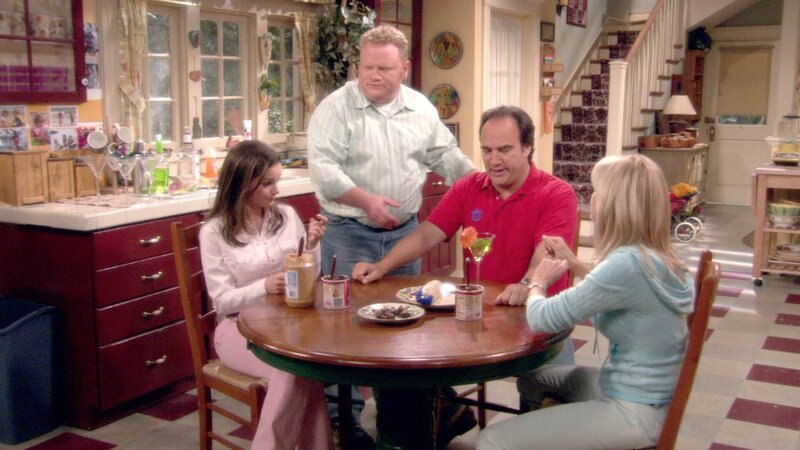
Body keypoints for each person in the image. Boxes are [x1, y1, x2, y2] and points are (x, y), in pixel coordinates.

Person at [352, 105, 579, 449]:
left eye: (504, 150)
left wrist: (527, 284)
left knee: (551, 417)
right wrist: (382, 265)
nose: (493, 160)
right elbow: (428, 233)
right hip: (482, 317)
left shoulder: (556, 193)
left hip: (540, 318)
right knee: (407, 358)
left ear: (527, 147)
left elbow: (547, 252)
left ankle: (457, 414)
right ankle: (444, 413)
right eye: (487, 150)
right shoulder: (469, 186)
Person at [307, 24, 474, 442]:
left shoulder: (420, 108)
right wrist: (366, 201)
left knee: (405, 323)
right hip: (348, 231)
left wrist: (481, 185)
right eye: (367, 67)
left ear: (404, 68)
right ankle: (345, 424)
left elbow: (446, 155)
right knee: (344, 330)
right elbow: (324, 171)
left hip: (405, 235)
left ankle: (404, 419)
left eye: (383, 68)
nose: (373, 76)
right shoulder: (335, 108)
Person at [477, 154, 694, 450]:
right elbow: (618, 289)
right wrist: (573, 262)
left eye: (597, 192)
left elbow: (542, 318)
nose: (592, 200)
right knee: (532, 380)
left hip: (633, 410)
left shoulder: (625, 264)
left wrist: (536, 281)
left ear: (614, 206)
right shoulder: (655, 258)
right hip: (641, 395)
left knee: (491, 440)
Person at [199, 141, 333, 450]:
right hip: (237, 328)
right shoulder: (214, 232)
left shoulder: (286, 216)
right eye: (267, 183)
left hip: (287, 325)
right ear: (242, 183)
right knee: (295, 370)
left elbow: (309, 278)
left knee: (303, 367)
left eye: (277, 181)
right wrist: (264, 286)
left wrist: (313, 245)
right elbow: (221, 301)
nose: (276, 190)